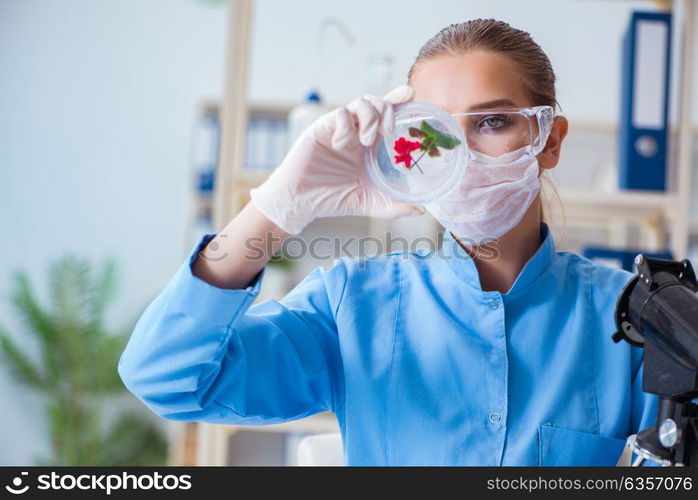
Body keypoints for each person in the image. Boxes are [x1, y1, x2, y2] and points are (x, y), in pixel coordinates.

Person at [118, 19, 658, 466]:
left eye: (492, 122)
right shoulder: (352, 303)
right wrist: (278, 208)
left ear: (549, 141)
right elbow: (166, 376)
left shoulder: (637, 316)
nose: (463, 154)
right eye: (438, 133)